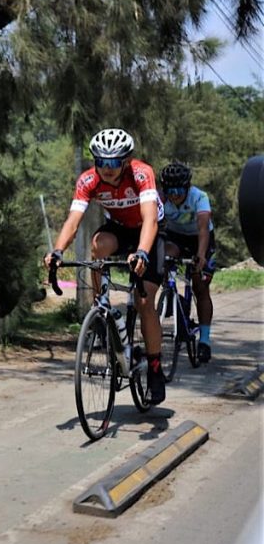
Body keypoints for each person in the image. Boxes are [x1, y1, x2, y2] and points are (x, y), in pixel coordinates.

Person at [43, 128, 168, 404]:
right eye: (101, 162)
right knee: (98, 245)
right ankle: (101, 307)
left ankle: (156, 369)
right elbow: (74, 220)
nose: (107, 169)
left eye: (113, 163)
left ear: (125, 161)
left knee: (144, 302)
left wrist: (143, 253)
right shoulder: (88, 180)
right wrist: (57, 250)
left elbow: (150, 220)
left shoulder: (140, 173)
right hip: (120, 228)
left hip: (149, 232)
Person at [159, 162, 215, 363]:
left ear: (187, 187)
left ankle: (205, 341)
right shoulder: (161, 198)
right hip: (177, 237)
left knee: (200, 287)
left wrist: (201, 255)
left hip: (200, 238)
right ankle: (169, 293)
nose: (174, 195)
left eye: (179, 190)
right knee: (164, 256)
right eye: (169, 190)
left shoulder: (199, 197)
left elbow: (202, 228)